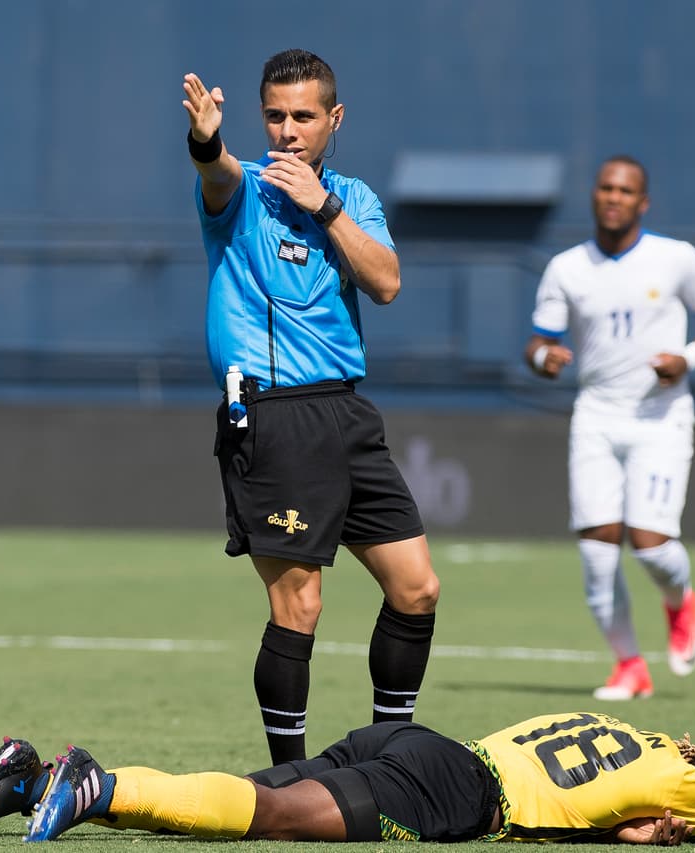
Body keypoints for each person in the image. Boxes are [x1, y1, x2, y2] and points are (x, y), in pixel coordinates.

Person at [180, 49, 439, 763]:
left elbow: (385, 282)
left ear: (334, 118)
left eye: (302, 116)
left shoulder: (353, 198)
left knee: (416, 588)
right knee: (299, 605)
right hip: (271, 414)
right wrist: (207, 139)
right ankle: (290, 780)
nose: (287, 131)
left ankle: (392, 753)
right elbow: (214, 168)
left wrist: (322, 206)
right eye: (275, 115)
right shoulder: (245, 192)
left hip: (346, 413)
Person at [524, 156, 695, 700]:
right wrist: (544, 356)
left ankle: (679, 598)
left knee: (650, 545)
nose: (613, 197)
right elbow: (537, 341)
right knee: (597, 549)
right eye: (605, 188)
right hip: (595, 416)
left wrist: (688, 357)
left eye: (626, 190)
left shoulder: (675, 259)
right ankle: (630, 666)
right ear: (593, 196)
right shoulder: (567, 269)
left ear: (643, 203)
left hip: (660, 418)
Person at [0, 710, 695, 844]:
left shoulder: (612, 731)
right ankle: (97, 786)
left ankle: (31, 777)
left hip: (416, 742)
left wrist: (624, 831)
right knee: (266, 816)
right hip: (462, 795)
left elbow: (607, 814)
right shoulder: (687, 788)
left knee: (227, 800)